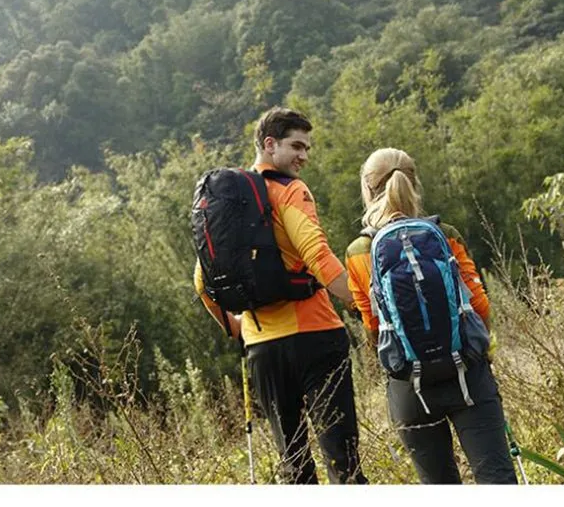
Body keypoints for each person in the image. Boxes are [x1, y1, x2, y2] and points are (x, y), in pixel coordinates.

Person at [194, 106, 368, 484]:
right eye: (297, 146)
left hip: (262, 349)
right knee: (344, 460)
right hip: (316, 338)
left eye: (307, 148)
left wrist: (235, 326)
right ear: (269, 144)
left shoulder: (226, 205)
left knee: (294, 463)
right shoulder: (290, 191)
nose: (304, 156)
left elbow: (203, 282)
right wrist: (366, 306)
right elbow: (318, 256)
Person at [344, 148, 518, 484]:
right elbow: (479, 304)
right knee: (497, 478)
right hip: (467, 372)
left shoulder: (359, 252)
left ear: (366, 190)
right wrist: (481, 351)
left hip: (410, 386)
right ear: (415, 183)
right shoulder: (445, 233)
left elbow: (373, 324)